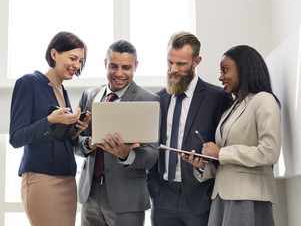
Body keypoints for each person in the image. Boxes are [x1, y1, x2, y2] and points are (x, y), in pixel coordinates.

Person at [147, 31, 232, 226]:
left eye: (181, 64)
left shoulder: (218, 98)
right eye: (170, 62)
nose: (173, 69)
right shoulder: (157, 99)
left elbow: (227, 147)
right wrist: (154, 188)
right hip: (162, 198)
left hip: (201, 197)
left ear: (197, 61)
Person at [74, 40, 159, 226]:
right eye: (113, 66)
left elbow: (152, 156)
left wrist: (127, 155)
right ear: (105, 64)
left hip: (126, 198)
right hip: (90, 194)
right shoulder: (89, 96)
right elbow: (75, 144)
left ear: (135, 66)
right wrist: (89, 143)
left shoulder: (148, 100)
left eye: (126, 67)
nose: (119, 73)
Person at [9, 31, 91, 225]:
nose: (77, 66)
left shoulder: (62, 91)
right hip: (41, 179)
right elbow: (16, 138)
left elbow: (60, 139)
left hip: (67, 179)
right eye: (72, 58)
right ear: (54, 54)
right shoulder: (29, 83)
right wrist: (49, 120)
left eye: (80, 61)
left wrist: (77, 129)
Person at [198, 45, 281, 225]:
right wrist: (203, 165)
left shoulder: (264, 100)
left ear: (244, 68)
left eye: (225, 70)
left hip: (248, 198)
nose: (220, 77)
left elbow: (269, 152)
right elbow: (226, 162)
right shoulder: (233, 107)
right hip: (222, 197)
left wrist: (221, 153)